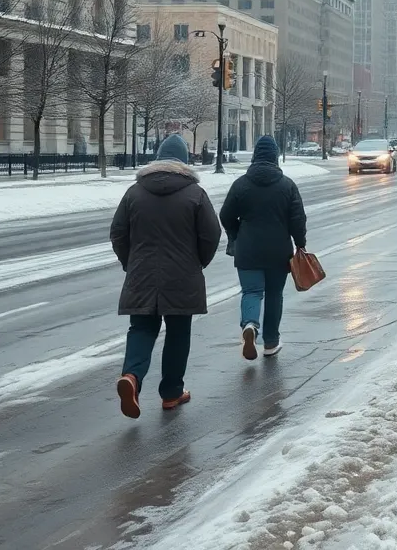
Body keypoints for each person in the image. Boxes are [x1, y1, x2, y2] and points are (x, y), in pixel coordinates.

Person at [111, 134, 221, 419]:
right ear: (184, 161)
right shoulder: (196, 194)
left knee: (142, 328)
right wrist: (198, 263)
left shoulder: (134, 193)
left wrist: (130, 263)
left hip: (142, 274)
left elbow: (118, 234)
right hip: (182, 276)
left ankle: (132, 377)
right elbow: (211, 235)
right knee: (178, 332)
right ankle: (172, 392)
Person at [220, 135, 307, 361]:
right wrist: (300, 243)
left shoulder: (241, 184)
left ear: (255, 156)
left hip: (247, 250)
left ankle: (250, 324)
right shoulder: (287, 185)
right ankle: (270, 342)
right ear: (275, 156)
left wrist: (236, 233)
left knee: (251, 292)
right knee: (274, 294)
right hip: (279, 251)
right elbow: (298, 219)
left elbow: (225, 215)